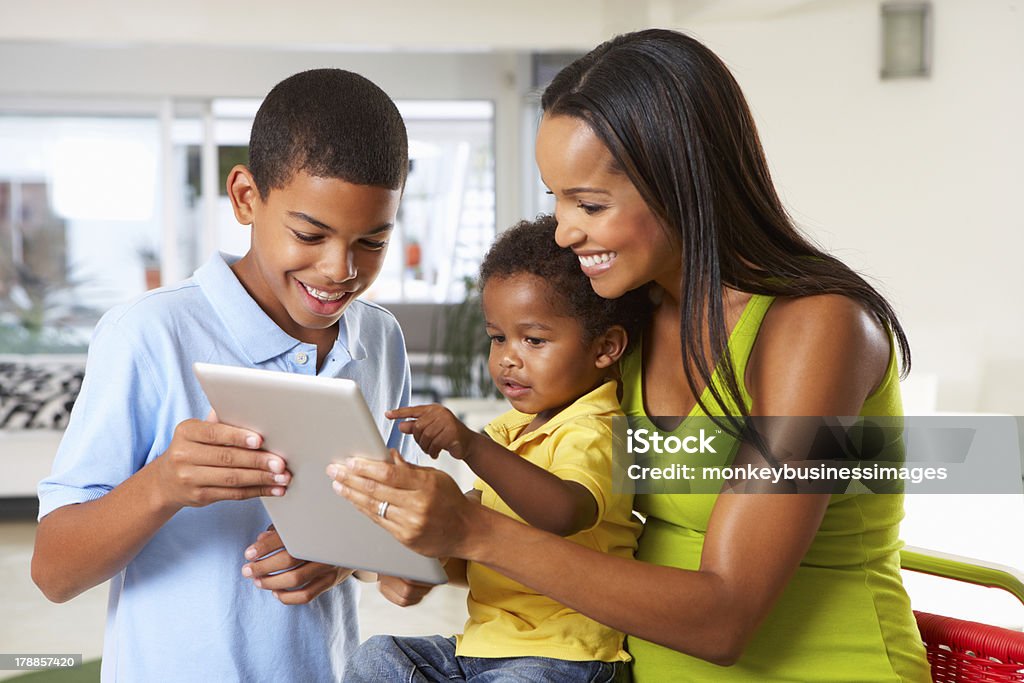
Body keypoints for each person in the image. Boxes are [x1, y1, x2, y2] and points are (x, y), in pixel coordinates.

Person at [329, 29, 932, 682]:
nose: (565, 230)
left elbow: (725, 615)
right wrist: (420, 547)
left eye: (589, 203)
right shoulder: (627, 324)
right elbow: (573, 517)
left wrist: (473, 530)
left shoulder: (818, 328)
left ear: (682, 183)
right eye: (555, 198)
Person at [32, 68, 414, 682]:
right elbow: (53, 573)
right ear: (244, 197)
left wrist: (343, 556)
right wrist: (162, 485)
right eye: (309, 234)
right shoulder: (151, 333)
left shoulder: (380, 340)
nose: (339, 269)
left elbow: (388, 532)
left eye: (372, 241)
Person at [341, 215, 650, 682]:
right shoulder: (511, 431)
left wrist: (470, 446)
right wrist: (419, 555)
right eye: (498, 337)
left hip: (565, 657)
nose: (508, 357)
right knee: (376, 657)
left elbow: (567, 512)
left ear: (605, 348)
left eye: (534, 340)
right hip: (480, 648)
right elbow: (475, 530)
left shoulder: (597, 427)